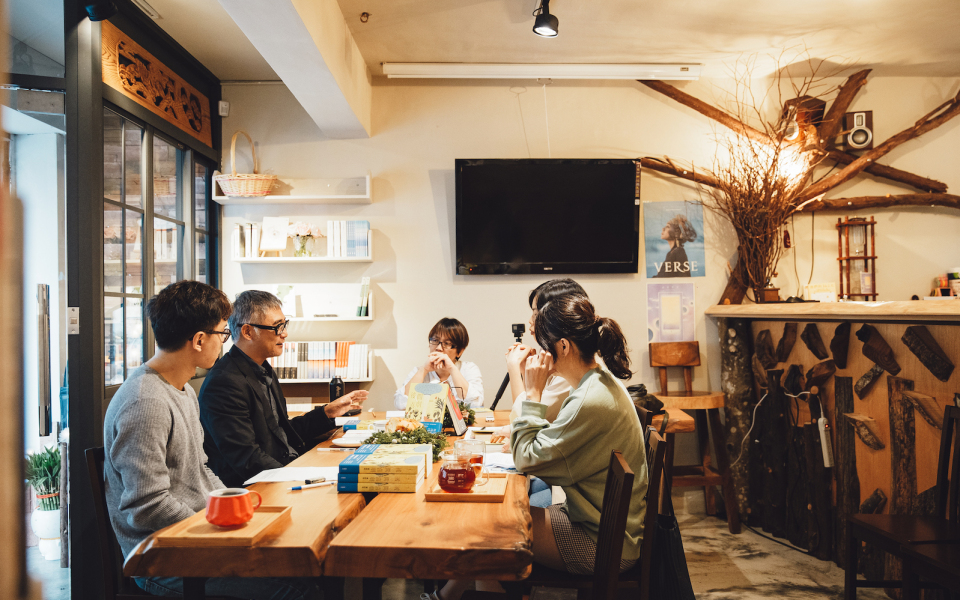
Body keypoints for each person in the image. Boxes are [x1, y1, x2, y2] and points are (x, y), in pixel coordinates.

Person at [103, 281, 319, 599]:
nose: (225, 342)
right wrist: (216, 528)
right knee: (299, 590)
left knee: (309, 571)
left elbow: (202, 471)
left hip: (200, 540)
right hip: (167, 558)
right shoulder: (144, 401)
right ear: (200, 340)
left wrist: (237, 510)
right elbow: (146, 506)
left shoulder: (182, 389)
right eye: (223, 333)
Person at [431, 294, 647, 600]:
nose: (539, 353)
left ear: (562, 347)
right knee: (497, 514)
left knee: (490, 526)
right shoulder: (593, 385)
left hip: (603, 543)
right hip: (600, 523)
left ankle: (453, 595)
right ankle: (450, 595)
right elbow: (553, 443)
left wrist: (533, 391)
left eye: (544, 344)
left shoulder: (590, 397)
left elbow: (527, 460)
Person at [199, 290, 367, 488]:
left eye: (284, 324)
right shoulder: (224, 383)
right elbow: (246, 457)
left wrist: (327, 412)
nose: (284, 333)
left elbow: (280, 432)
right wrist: (298, 476)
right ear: (247, 332)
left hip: (286, 470)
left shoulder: (262, 368)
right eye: (277, 326)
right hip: (260, 487)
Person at [393, 317, 483, 409]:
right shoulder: (419, 371)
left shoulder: (468, 369)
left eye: (447, 343)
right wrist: (424, 370)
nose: (439, 348)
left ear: (460, 351)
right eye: (435, 340)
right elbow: (401, 405)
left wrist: (452, 369)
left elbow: (476, 404)